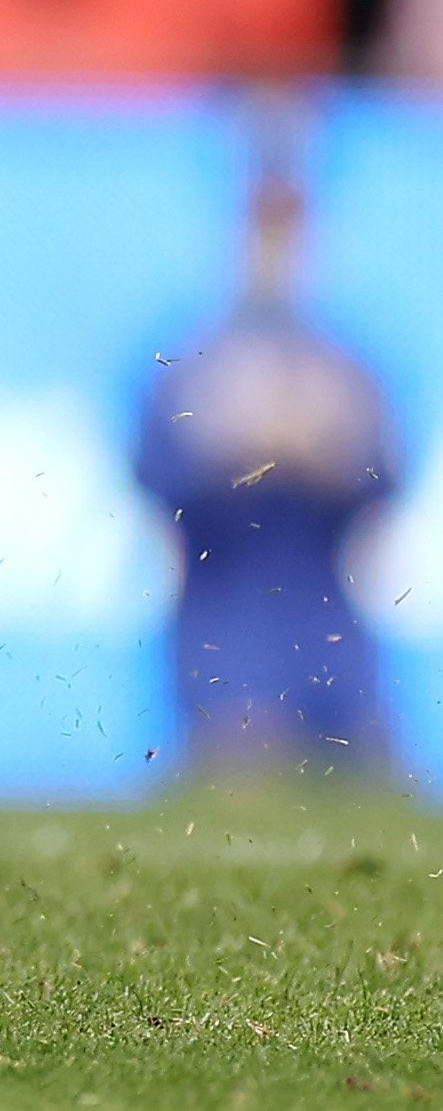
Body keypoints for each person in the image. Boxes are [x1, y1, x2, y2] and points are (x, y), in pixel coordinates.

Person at [132, 106, 405, 775]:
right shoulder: (192, 360)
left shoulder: (343, 364)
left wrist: (323, 452)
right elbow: (155, 478)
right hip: (226, 646)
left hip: (333, 653)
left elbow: (387, 480)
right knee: (240, 777)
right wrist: (238, 449)